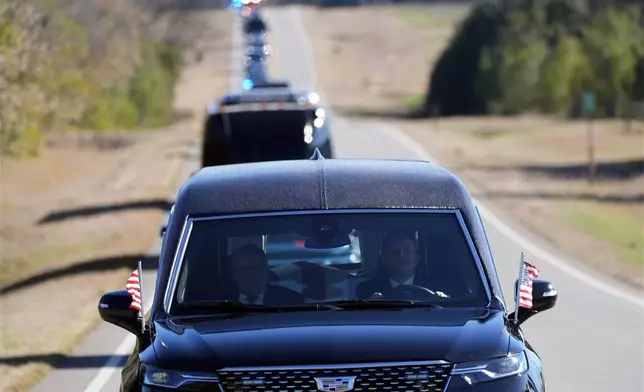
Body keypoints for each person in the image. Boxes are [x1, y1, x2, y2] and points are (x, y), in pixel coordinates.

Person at [356, 232, 442, 299]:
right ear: (384, 259)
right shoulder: (366, 290)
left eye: (407, 251)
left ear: (417, 258)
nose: (401, 256)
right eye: (395, 252)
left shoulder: (435, 288)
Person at [226, 244, 304, 305]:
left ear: (267, 270)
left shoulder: (290, 300)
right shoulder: (220, 302)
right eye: (246, 269)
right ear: (234, 274)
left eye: (259, 267)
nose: (254, 273)